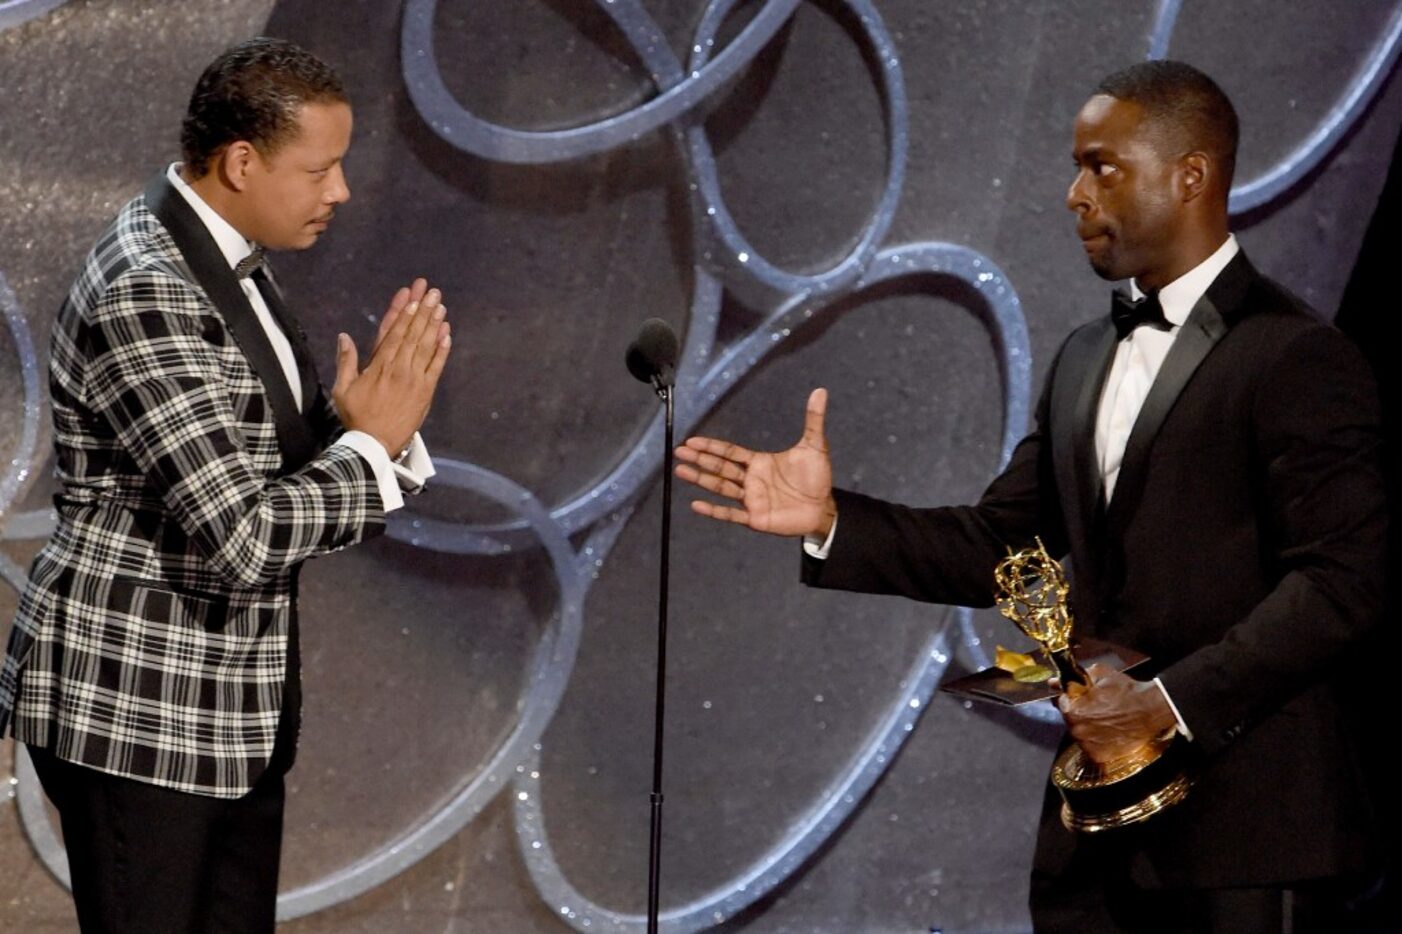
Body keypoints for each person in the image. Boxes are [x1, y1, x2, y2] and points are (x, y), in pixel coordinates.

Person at [675, 60, 1386, 932]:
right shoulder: (1085, 356)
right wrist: (833, 521)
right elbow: (1007, 549)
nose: (1074, 194)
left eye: (1102, 167)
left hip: (1248, 838)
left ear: (1190, 175)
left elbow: (1344, 583)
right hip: (1092, 845)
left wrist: (1165, 704)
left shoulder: (1295, 357)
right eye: (1077, 166)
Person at [0, 37, 452, 933]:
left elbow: (250, 457)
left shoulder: (227, 261)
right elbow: (242, 534)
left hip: (228, 720)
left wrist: (356, 439)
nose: (341, 191)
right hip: (140, 712)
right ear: (241, 162)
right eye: (320, 169)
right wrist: (368, 449)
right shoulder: (148, 288)